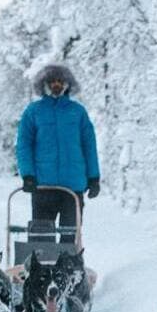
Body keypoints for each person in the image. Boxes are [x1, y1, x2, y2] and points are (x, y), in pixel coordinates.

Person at [16, 64, 100, 243]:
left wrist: (93, 178)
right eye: (52, 81)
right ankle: (41, 270)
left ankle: (70, 268)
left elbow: (89, 146)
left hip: (73, 186)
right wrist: (28, 174)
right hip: (43, 186)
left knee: (70, 236)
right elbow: (24, 145)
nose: (56, 85)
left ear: (67, 84)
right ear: (44, 84)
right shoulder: (33, 112)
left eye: (60, 81)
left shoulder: (77, 112)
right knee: (41, 237)